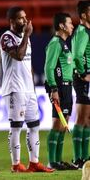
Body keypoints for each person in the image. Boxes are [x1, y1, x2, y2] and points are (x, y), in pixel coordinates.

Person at [0, 6, 54, 173]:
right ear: (12, 21)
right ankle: (16, 165)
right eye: (20, 18)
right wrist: (27, 35)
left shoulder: (25, 37)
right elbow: (19, 55)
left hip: (28, 89)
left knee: (34, 125)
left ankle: (34, 162)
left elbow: (27, 63)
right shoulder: (6, 37)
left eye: (25, 17)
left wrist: (33, 87)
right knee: (16, 126)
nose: (24, 20)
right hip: (14, 88)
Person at [44, 12, 77, 170]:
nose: (72, 26)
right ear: (62, 26)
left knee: (63, 125)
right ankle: (52, 161)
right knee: (57, 124)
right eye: (70, 23)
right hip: (60, 87)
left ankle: (58, 160)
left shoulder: (64, 43)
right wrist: (53, 88)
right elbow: (49, 68)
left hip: (67, 87)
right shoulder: (55, 43)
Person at [71, 0, 90, 168]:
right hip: (83, 77)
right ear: (84, 15)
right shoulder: (83, 31)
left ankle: (85, 156)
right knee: (82, 118)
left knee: (88, 119)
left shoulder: (85, 31)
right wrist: (83, 73)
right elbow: (77, 55)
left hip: (85, 76)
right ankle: (78, 157)